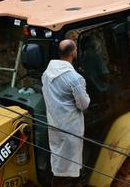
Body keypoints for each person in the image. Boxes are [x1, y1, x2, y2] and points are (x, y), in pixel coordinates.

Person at [42, 39, 90, 187]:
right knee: (73, 161)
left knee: (58, 158)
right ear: (73, 53)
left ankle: (56, 182)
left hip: (54, 123)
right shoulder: (75, 79)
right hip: (71, 127)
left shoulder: (47, 73)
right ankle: (76, 182)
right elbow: (84, 104)